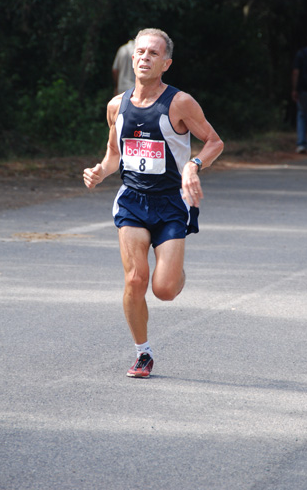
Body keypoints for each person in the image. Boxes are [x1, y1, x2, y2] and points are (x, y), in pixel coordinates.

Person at [83, 28, 224, 378]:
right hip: (132, 200)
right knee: (134, 280)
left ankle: (174, 274)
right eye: (140, 52)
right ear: (132, 59)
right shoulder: (117, 106)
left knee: (163, 289)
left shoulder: (179, 103)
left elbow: (214, 142)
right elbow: (114, 154)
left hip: (172, 203)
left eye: (152, 53)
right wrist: (100, 171)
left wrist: (194, 166)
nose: (144, 57)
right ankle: (142, 353)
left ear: (166, 63)